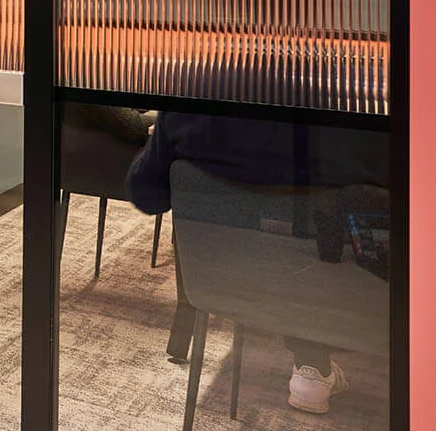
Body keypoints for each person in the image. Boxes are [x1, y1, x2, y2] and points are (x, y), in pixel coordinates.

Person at [126, 111, 388, 415]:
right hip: (349, 303)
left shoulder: (190, 106)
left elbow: (144, 194)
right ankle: (311, 359)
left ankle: (311, 362)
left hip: (231, 288)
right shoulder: (358, 113)